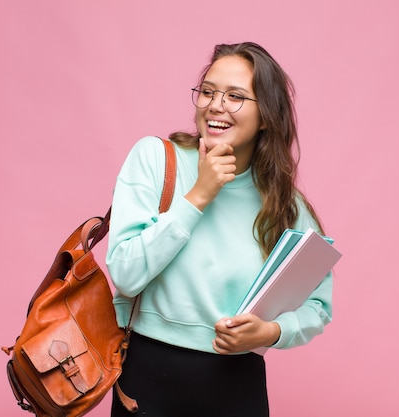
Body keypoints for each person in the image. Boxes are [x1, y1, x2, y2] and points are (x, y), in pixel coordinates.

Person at [106, 41, 333, 417]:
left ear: (266, 117)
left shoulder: (282, 203)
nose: (215, 105)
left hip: (237, 383)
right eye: (208, 92)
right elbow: (126, 275)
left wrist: (271, 333)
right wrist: (198, 196)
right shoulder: (155, 159)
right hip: (146, 377)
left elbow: (318, 305)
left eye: (235, 96)